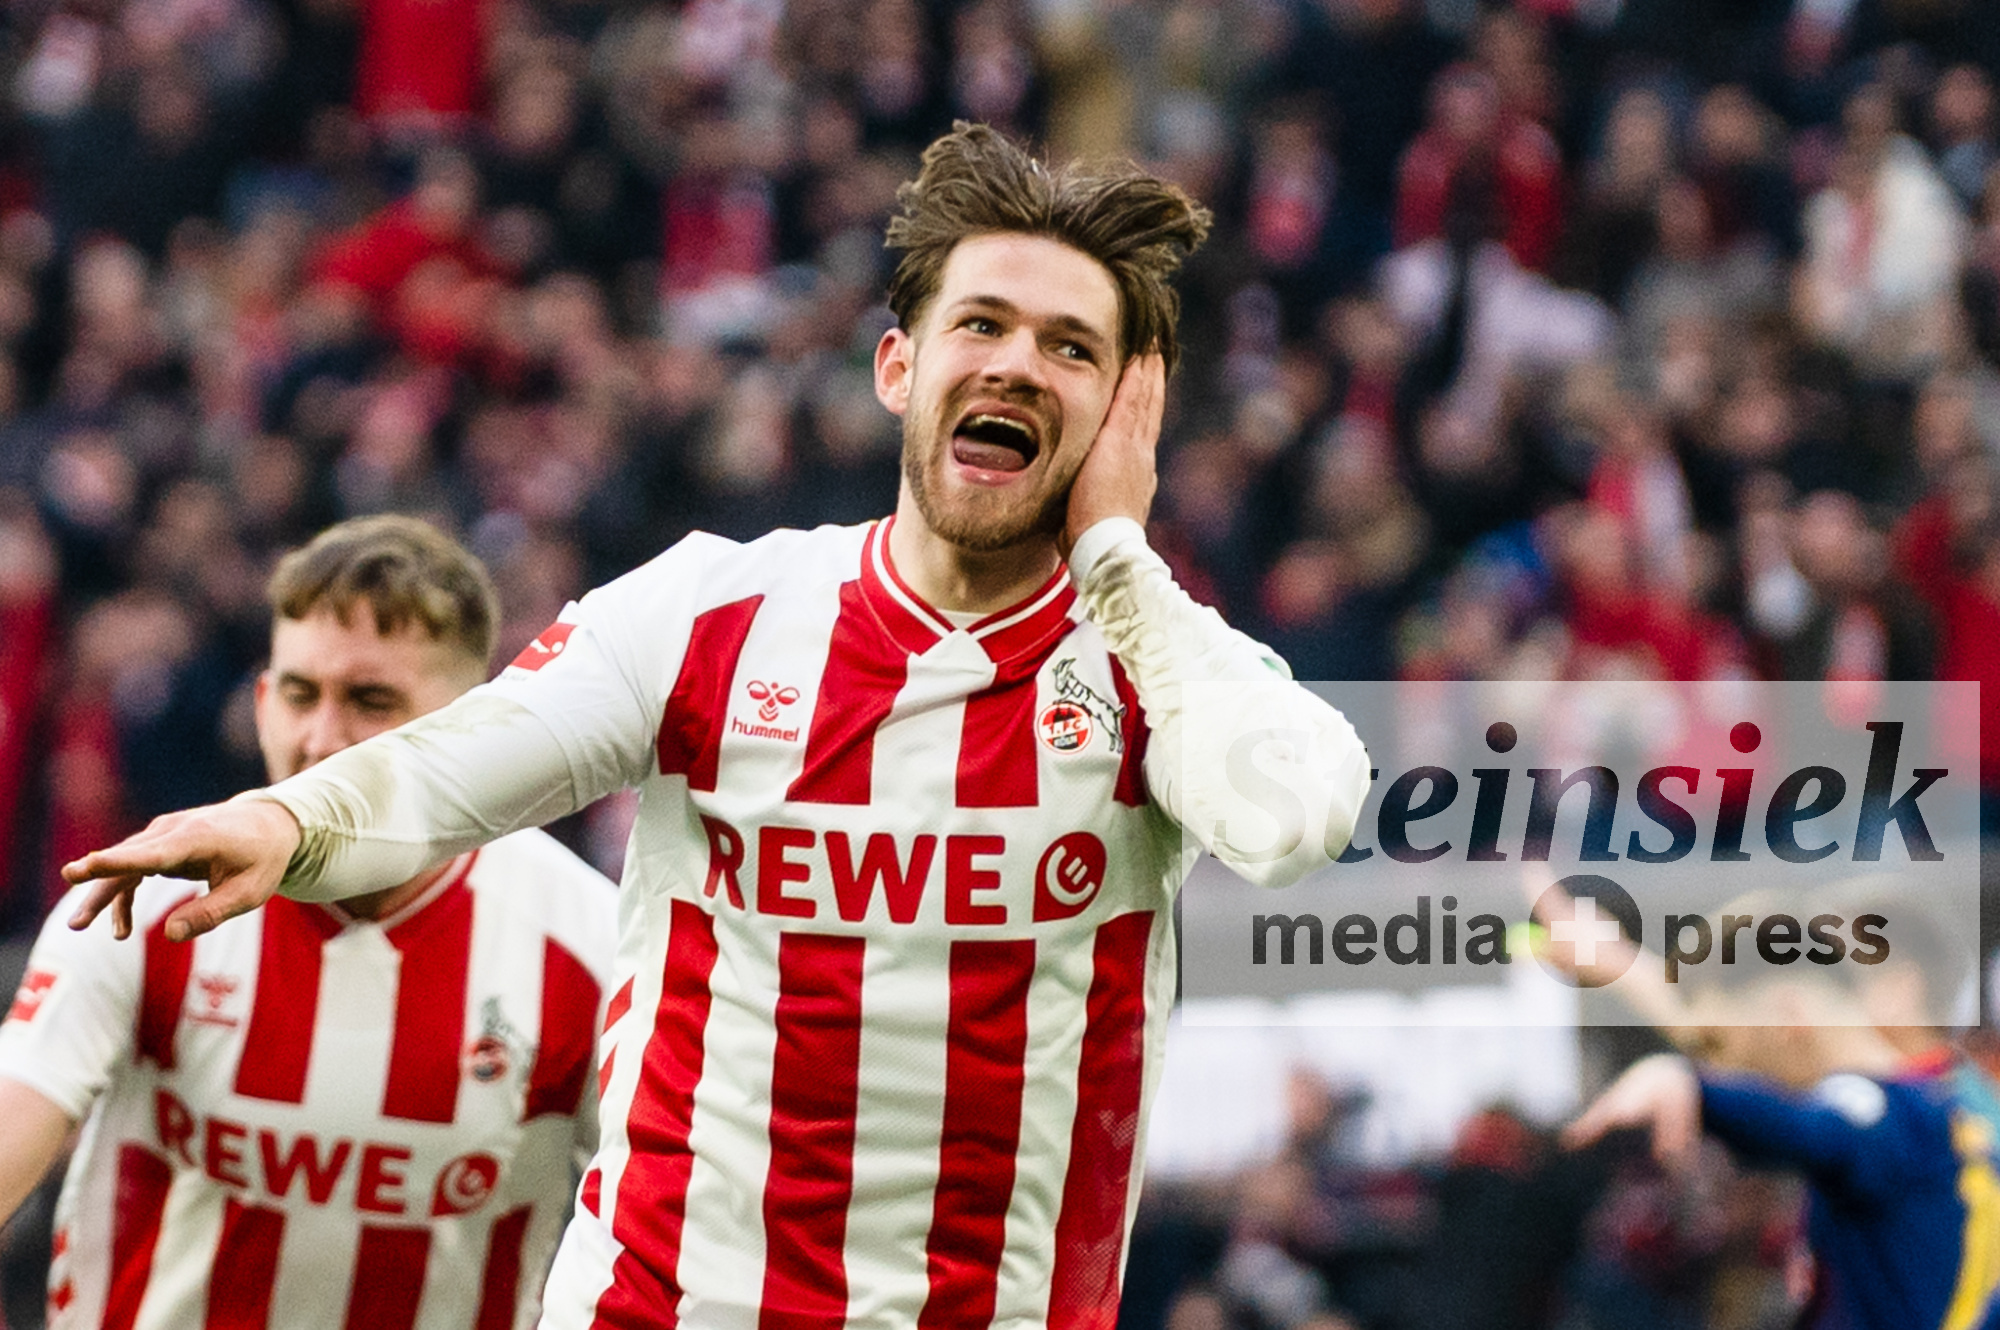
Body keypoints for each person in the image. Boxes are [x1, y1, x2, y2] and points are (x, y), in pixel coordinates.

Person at [60, 123, 1373, 1327]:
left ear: (1125, 414)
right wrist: (285, 818)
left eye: (1071, 347)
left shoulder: (1160, 663)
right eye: (982, 322)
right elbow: (459, 764)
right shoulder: (712, 611)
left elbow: (1298, 821)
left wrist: (1119, 557)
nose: (1018, 363)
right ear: (898, 367)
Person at [0, 515, 617, 1328]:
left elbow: (657, 1232)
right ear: (261, 703)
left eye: (371, 700)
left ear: (472, 736)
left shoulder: (591, 943)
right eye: (299, 694)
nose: (321, 739)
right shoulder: (146, 900)